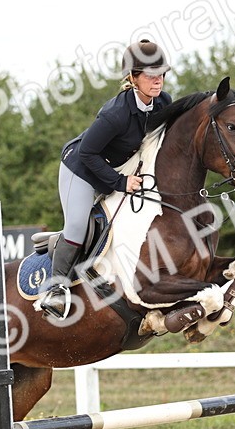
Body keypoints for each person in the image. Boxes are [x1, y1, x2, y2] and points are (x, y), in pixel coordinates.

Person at [39, 39, 174, 319]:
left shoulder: (163, 102)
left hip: (117, 166)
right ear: (133, 78)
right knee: (77, 226)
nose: (157, 81)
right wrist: (120, 183)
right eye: (150, 75)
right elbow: (88, 152)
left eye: (161, 74)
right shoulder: (116, 113)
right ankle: (55, 290)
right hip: (82, 168)